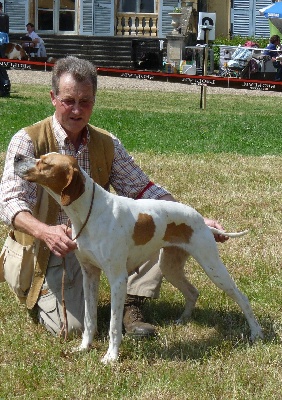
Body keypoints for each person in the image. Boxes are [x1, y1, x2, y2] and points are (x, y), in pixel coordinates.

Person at [0, 56, 228, 339]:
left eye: (85, 101)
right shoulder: (29, 141)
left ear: (94, 101)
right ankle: (39, 290)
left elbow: (144, 190)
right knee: (74, 329)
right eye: (68, 100)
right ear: (53, 98)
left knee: (150, 225)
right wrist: (46, 232)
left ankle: (131, 303)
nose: (77, 110)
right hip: (48, 248)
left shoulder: (107, 143)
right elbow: (9, 201)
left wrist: (195, 220)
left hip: (96, 240)